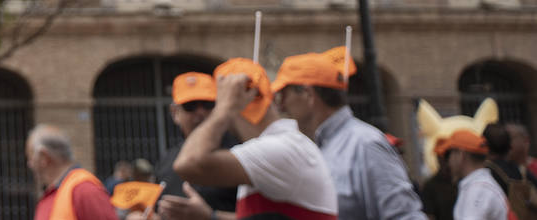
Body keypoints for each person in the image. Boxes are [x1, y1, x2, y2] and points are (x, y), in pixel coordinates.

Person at [273, 49, 425, 220]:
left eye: (283, 95)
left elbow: (406, 216)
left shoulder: (366, 145)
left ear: (308, 94)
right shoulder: (316, 145)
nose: (281, 106)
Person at [174, 62, 338, 220]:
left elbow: (188, 164)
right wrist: (210, 216)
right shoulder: (278, 145)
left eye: (212, 104)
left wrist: (223, 109)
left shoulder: (279, 148)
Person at [154, 72, 239, 220]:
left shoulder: (239, 153)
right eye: (190, 106)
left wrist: (211, 217)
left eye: (207, 104)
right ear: (175, 113)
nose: (200, 112)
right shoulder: (167, 161)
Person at [25, 124, 117, 220]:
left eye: (30, 158)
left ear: (44, 157)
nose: (29, 164)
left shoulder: (84, 191)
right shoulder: (55, 193)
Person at [443, 131, 507, 220]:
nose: (448, 162)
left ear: (461, 154)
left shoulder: (477, 190)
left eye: (449, 154)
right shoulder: (478, 186)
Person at [422, 139, 458, 220]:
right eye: (439, 156)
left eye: (446, 156)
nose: (443, 160)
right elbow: (429, 216)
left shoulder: (464, 181)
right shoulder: (430, 187)